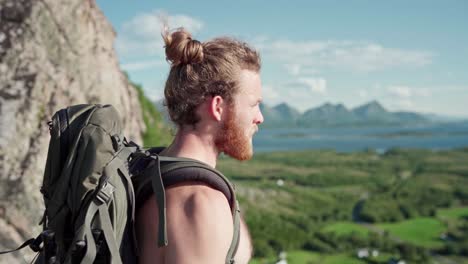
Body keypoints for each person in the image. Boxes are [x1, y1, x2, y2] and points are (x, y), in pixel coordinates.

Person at [135, 27, 264, 264]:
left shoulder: (147, 172)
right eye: (254, 104)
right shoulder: (201, 204)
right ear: (218, 107)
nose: (259, 117)